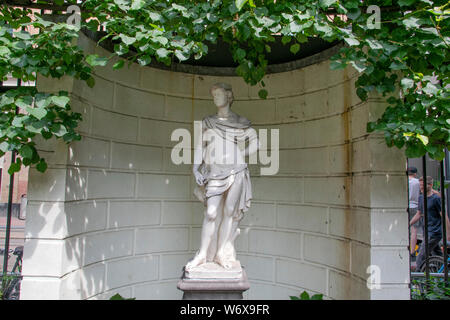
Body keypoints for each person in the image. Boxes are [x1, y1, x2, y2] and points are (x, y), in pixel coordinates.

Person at [186, 82, 258, 270]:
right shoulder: (208, 121)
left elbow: (256, 143)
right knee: (211, 213)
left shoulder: (240, 122)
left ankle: (220, 253)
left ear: (228, 96)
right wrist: (195, 168)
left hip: (237, 170)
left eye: (218, 94)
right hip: (215, 172)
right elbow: (201, 146)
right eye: (213, 95)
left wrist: (241, 155)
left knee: (229, 212)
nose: (215, 98)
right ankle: (203, 254)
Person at [410, 176, 449, 270]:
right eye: (420, 186)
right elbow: (419, 213)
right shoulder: (421, 198)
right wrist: (409, 224)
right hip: (426, 231)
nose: (421, 188)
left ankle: (418, 279)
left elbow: (443, 215)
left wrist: (448, 232)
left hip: (434, 233)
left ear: (430, 185)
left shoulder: (436, 199)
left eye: (423, 185)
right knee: (438, 255)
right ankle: (443, 274)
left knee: (420, 257)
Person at [408, 167, 421, 257]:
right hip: (415, 206)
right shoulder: (417, 182)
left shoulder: (404, 181)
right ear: (415, 173)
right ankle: (412, 251)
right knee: (414, 230)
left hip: (405, 206)